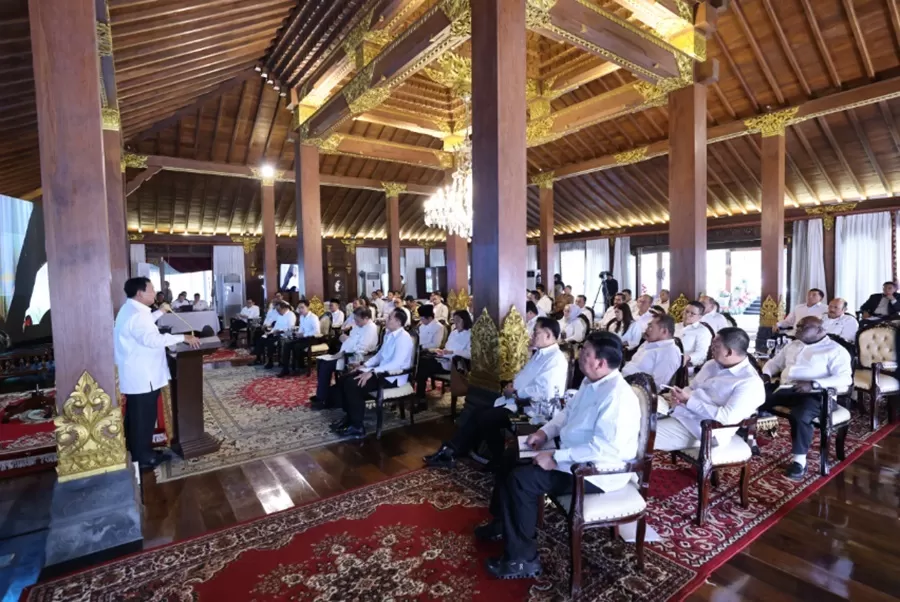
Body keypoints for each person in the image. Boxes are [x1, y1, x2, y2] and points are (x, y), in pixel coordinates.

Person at [478, 333, 641, 580]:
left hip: (598, 471)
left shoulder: (618, 397)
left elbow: (603, 449)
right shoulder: (591, 382)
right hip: (572, 453)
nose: (579, 357)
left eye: (585, 353)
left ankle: (523, 560)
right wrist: (544, 433)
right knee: (512, 453)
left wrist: (556, 458)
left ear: (600, 362)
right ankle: (502, 523)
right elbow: (566, 414)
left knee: (523, 480)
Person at [424, 317, 568, 469]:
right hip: (515, 401)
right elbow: (524, 376)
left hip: (531, 411)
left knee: (486, 418)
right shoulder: (540, 353)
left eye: (535, 332)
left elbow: (544, 391)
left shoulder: (556, 360)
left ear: (548, 335)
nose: (531, 336)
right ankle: (452, 450)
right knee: (477, 411)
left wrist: (516, 393)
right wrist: (513, 385)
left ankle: (496, 458)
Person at [115, 277, 200, 471]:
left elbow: (143, 325)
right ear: (140, 293)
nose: (154, 293)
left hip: (138, 374)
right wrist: (183, 337)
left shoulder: (131, 310)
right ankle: (144, 458)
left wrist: (160, 312)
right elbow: (151, 339)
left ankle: (137, 451)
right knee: (143, 417)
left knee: (137, 416)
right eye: (151, 290)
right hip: (144, 375)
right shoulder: (137, 315)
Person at [759, 316, 852, 480]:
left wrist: (814, 384)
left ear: (820, 330)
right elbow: (774, 363)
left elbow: (845, 379)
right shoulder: (793, 345)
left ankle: (799, 461)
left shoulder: (835, 350)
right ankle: (752, 439)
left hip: (817, 394)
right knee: (754, 397)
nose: (798, 328)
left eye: (804, 326)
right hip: (787, 388)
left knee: (801, 415)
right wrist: (766, 375)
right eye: (798, 325)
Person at [654, 327, 763, 452]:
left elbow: (726, 417)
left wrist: (689, 401)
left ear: (728, 352)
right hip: (682, 413)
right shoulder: (711, 364)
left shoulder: (749, 383)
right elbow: (692, 388)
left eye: (715, 347)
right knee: (635, 416)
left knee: (640, 435)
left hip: (703, 430)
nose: (711, 349)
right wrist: (679, 396)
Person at [329, 308, 415, 439]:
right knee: (344, 379)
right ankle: (350, 418)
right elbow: (380, 355)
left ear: (398, 321)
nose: (387, 319)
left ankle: (358, 427)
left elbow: (396, 363)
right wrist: (365, 365)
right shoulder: (388, 334)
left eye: (390, 318)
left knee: (353, 384)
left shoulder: (404, 338)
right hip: (381, 371)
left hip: (393, 377)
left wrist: (372, 372)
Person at [310, 306, 379, 409]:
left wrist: (346, 342)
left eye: (357, 320)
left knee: (326, 365)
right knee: (321, 362)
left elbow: (363, 349)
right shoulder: (359, 326)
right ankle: (322, 395)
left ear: (366, 318)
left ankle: (322, 399)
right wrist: (346, 340)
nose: (355, 322)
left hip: (355, 358)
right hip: (345, 353)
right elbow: (352, 339)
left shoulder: (371, 328)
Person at [416, 310, 473, 401]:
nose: (455, 323)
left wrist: (452, 352)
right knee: (421, 360)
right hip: (443, 359)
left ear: (465, 320)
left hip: (455, 364)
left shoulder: (470, 334)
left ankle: (420, 397)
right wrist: (441, 351)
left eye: (458, 321)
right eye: (454, 320)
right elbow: (447, 347)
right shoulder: (454, 332)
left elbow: (470, 354)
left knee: (424, 366)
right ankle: (420, 395)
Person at [622, 314, 682, 389]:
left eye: (650, 327)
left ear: (664, 331)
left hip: (635, 389)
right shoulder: (649, 342)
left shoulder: (670, 352)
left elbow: (656, 386)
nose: (646, 329)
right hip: (623, 380)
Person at [279, 299, 321, 376]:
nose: (300, 310)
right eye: (299, 308)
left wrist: (304, 334)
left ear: (307, 307)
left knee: (297, 346)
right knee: (287, 344)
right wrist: (297, 334)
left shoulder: (313, 317)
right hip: (302, 338)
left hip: (312, 339)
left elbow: (317, 331)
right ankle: (285, 369)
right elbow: (301, 329)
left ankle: (299, 367)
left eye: (302, 307)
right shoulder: (301, 317)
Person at [253, 302, 296, 368]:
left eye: (279, 310)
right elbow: (275, 326)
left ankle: (270, 361)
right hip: (275, 333)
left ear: (284, 308)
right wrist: (270, 332)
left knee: (270, 342)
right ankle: (258, 358)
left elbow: (290, 328)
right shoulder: (280, 315)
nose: (278, 312)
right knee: (262, 338)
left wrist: (279, 330)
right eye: (277, 310)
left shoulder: (291, 315)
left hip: (283, 334)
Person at [676, 300, 714, 371]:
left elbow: (701, 354)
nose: (687, 315)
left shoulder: (703, 331)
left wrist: (688, 357)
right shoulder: (675, 326)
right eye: (686, 311)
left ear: (700, 317)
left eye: (692, 313)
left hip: (687, 366)